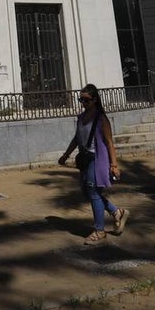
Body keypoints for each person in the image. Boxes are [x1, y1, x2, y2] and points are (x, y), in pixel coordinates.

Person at [58, 83, 130, 245]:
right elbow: (77, 138)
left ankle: (99, 230)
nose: (83, 103)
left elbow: (110, 143)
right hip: (84, 159)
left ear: (95, 100)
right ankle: (117, 212)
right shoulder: (81, 118)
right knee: (87, 192)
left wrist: (114, 165)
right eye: (81, 100)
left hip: (97, 159)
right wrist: (66, 154)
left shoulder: (101, 119)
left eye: (87, 100)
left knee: (92, 192)